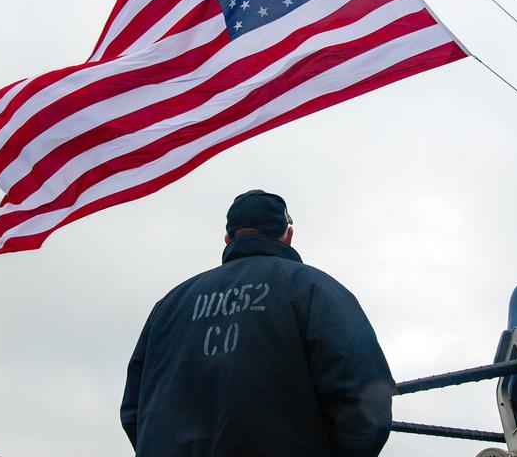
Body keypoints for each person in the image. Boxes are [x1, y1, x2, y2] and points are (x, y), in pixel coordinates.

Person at [121, 190, 395, 456]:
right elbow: (364, 398)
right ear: (288, 236)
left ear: (227, 239)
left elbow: (134, 411)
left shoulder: (167, 307)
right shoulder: (316, 290)